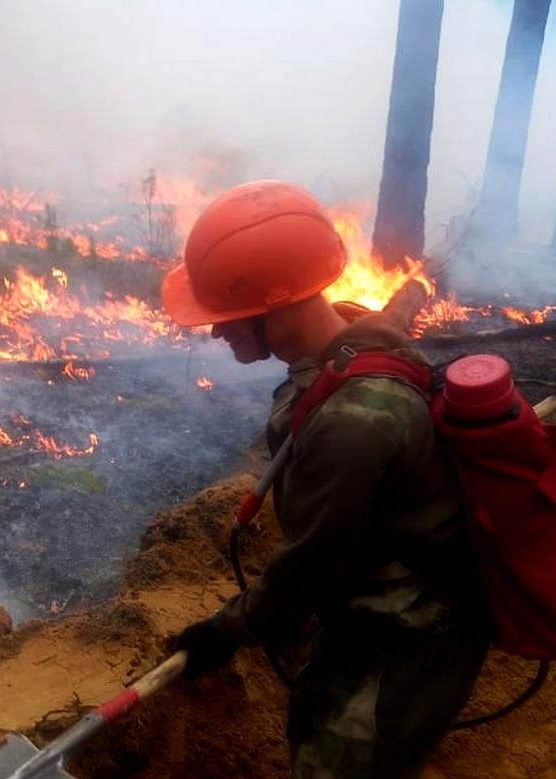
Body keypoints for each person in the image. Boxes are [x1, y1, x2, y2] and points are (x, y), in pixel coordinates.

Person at [161, 180, 489, 778]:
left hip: (411, 634)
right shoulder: (349, 335)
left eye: (228, 315)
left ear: (279, 305)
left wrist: (224, 630)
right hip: (374, 608)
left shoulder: (353, 425)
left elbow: (310, 567)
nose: (215, 331)